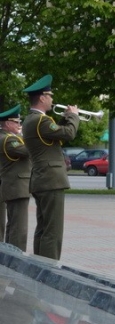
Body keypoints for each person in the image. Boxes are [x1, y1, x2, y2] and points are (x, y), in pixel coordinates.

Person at [21, 75, 79, 260]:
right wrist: (73, 116)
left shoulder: (32, 120)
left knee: (43, 228)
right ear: (42, 98)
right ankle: (49, 269)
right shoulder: (41, 121)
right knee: (52, 232)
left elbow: (54, 137)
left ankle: (39, 264)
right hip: (50, 179)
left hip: (41, 178)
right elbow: (69, 134)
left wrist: (63, 120)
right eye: (50, 96)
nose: (52, 100)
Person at [0, 104, 31, 251]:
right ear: (7, 124)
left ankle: (10, 257)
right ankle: (16, 261)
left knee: (14, 226)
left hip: (16, 186)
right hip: (16, 187)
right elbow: (28, 151)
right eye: (17, 122)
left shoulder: (10, 138)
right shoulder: (8, 140)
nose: (20, 125)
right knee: (19, 230)